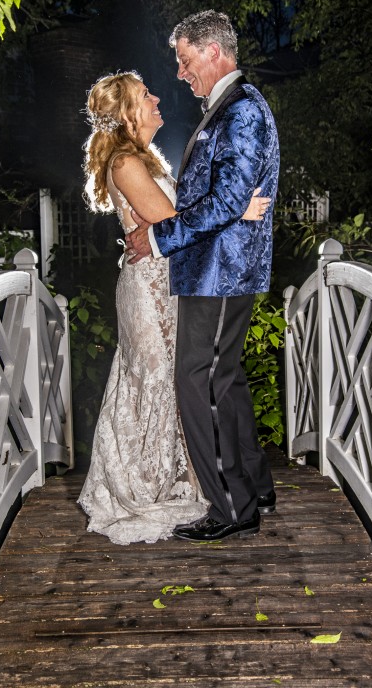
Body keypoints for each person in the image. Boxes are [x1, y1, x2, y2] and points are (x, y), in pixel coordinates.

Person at [77, 71, 269, 545]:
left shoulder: (145, 158)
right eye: (146, 95)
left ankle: (196, 479)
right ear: (128, 114)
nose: (157, 98)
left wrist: (219, 208)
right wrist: (236, 210)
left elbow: (181, 219)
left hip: (169, 283)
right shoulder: (125, 163)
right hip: (148, 290)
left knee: (180, 380)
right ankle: (150, 484)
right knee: (157, 379)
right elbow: (171, 220)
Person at [125, 11, 280, 543]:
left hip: (220, 271)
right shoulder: (234, 106)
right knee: (225, 379)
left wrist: (158, 238)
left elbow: (229, 199)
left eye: (185, 59)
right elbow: (228, 198)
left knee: (200, 381)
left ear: (213, 51)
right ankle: (255, 486)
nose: (181, 72)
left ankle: (232, 508)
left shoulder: (241, 109)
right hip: (220, 269)